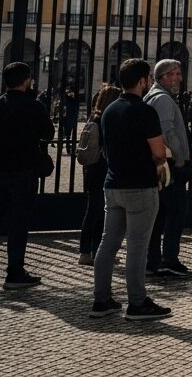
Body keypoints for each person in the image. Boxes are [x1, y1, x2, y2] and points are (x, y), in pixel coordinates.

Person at [93, 58, 172, 321]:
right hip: (140, 186)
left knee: (108, 244)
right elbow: (159, 152)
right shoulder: (145, 111)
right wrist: (161, 159)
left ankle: (101, 299)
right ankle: (137, 303)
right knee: (137, 247)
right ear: (142, 81)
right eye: (147, 78)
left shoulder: (110, 110)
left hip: (113, 184)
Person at [0, 61, 54, 292]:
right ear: (27, 80)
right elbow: (48, 134)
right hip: (23, 170)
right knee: (19, 223)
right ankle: (14, 272)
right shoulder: (34, 106)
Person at [144, 58, 192, 280]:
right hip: (170, 166)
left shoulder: (153, 96)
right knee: (176, 213)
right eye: (176, 74)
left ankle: (153, 260)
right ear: (165, 76)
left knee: (160, 215)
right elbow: (166, 132)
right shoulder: (163, 99)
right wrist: (180, 158)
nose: (180, 78)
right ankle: (169, 260)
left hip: (161, 165)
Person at [79, 84, 123, 266]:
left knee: (95, 211)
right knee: (97, 211)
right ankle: (87, 252)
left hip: (91, 169)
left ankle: (93, 251)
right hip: (102, 168)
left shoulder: (94, 117)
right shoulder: (106, 120)